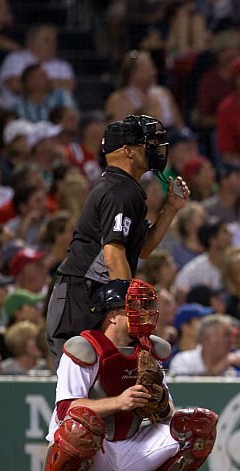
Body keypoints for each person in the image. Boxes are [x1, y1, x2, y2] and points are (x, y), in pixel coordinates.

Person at [27, 280, 218, 471]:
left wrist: (158, 402)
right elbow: (66, 409)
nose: (146, 313)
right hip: (89, 459)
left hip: (131, 451)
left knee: (199, 422)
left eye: (147, 306)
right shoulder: (84, 348)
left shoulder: (148, 349)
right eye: (138, 307)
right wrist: (120, 402)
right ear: (113, 315)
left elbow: (169, 414)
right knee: (79, 425)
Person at [46, 115, 190, 364]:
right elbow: (113, 253)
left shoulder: (125, 188)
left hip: (96, 294)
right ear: (128, 151)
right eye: (147, 144)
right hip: (82, 297)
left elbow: (143, 249)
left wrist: (171, 209)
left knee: (111, 384)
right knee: (80, 388)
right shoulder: (118, 190)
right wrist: (128, 306)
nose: (156, 150)